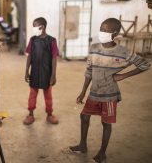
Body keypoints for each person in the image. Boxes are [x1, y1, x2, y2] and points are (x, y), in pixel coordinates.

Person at [69, 18, 150, 163]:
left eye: (105, 30)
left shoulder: (123, 52)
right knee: (84, 117)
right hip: (94, 93)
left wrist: (124, 75)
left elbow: (145, 64)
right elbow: (89, 71)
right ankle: (82, 145)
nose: (102, 32)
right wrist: (83, 92)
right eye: (101, 28)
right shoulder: (94, 48)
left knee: (106, 123)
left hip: (110, 95)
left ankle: (102, 153)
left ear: (115, 33)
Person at [23, 17, 59, 125]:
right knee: (32, 94)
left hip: (47, 72)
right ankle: (30, 114)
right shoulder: (33, 40)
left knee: (48, 95)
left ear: (41, 27)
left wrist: (53, 75)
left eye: (35, 26)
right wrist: (26, 71)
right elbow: (29, 56)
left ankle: (49, 114)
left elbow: (54, 58)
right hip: (34, 72)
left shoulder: (51, 40)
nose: (33, 29)